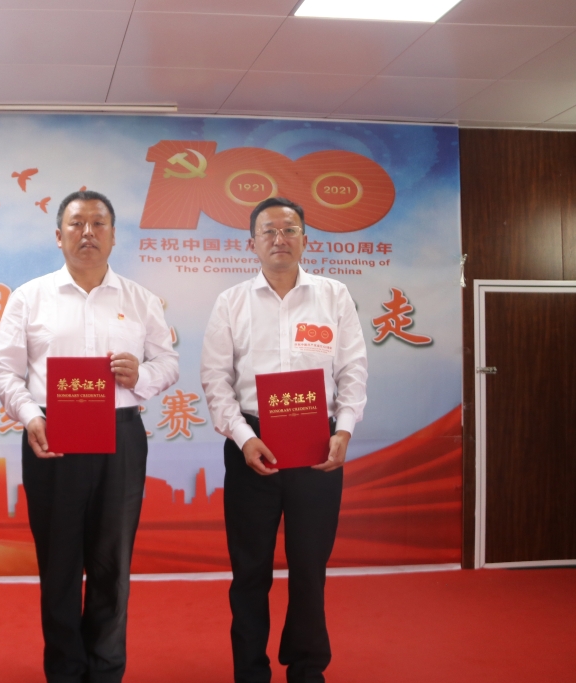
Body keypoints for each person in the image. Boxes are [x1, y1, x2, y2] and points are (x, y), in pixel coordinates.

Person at [0, 190, 179, 683]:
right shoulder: (29, 298)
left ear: (114, 236)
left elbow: (168, 363)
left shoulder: (140, 300)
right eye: (76, 224)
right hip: (52, 437)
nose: (87, 232)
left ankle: (107, 669)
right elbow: (4, 370)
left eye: (98, 223)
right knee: (59, 565)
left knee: (112, 562)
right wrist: (30, 416)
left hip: (120, 437)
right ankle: (65, 670)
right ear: (59, 236)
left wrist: (141, 375)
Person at [200, 197, 368, 683]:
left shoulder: (333, 296)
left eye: (289, 230)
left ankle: (307, 668)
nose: (280, 239)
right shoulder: (231, 302)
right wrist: (243, 437)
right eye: (269, 231)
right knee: (250, 570)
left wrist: (344, 429)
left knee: (310, 567)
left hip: (317, 447)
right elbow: (215, 379)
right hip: (251, 446)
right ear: (252, 243)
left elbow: (353, 369)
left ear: (304, 240)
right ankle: (250, 670)